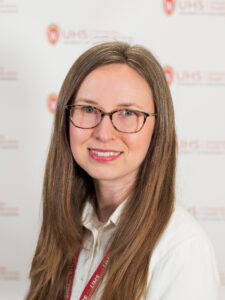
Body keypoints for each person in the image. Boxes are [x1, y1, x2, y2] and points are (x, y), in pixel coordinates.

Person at [25, 41, 220, 300]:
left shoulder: (182, 249)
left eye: (128, 112)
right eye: (89, 109)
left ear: (158, 129)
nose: (104, 133)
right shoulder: (69, 227)